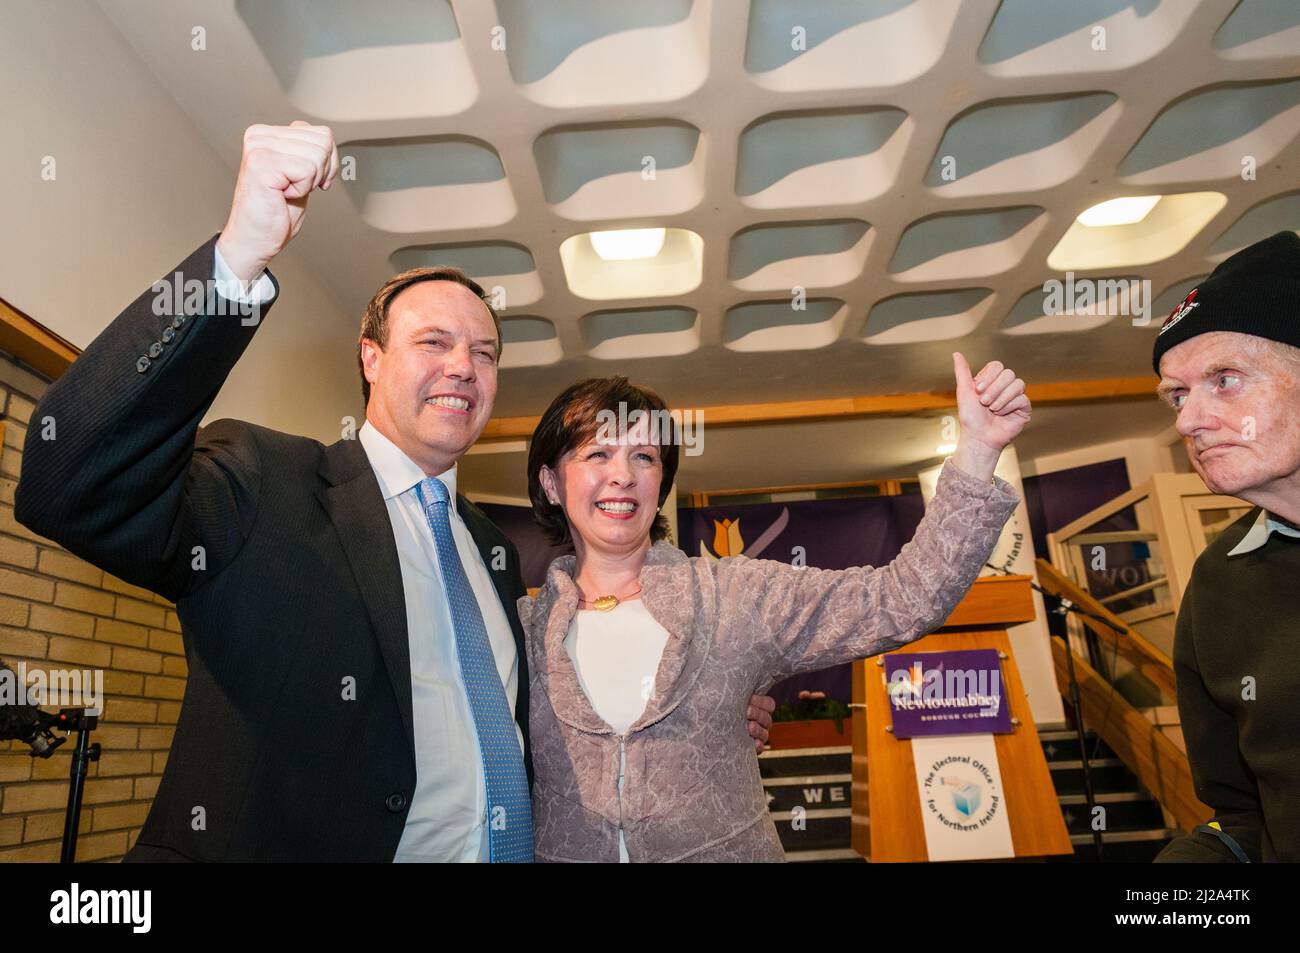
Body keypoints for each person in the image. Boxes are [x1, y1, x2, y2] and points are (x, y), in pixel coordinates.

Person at [13, 122, 772, 862]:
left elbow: (548, 722)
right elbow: (70, 487)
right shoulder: (264, 482)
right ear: (371, 357)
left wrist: (703, 712)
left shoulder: (495, 552)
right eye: (434, 342)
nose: (463, 366)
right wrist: (237, 257)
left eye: (483, 351)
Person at [520, 359, 1031, 862]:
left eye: (645, 458)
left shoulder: (735, 597)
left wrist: (979, 449)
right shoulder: (517, 632)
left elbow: (901, 598)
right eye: (597, 454)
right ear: (551, 483)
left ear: (662, 483)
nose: (622, 476)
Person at [1149, 230, 1300, 863]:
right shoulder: (1219, 581)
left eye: (1225, 379)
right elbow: (1242, 818)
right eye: (1177, 394)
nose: (1187, 420)